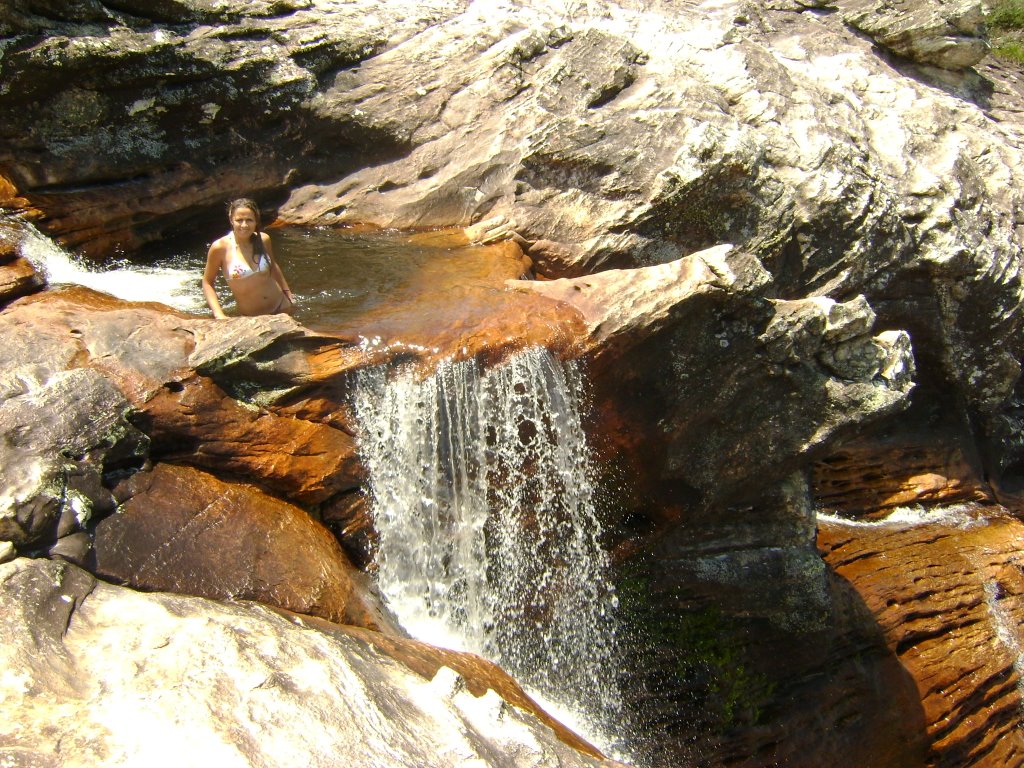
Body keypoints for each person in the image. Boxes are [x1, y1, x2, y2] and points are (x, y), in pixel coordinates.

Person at [202, 198, 295, 318]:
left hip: (282, 307)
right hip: (251, 318)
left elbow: (273, 265)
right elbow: (207, 282)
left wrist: (288, 294)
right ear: (231, 220)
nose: (244, 225)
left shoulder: (263, 239)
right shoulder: (220, 248)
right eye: (239, 220)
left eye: (249, 220)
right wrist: (219, 314)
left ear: (256, 221)